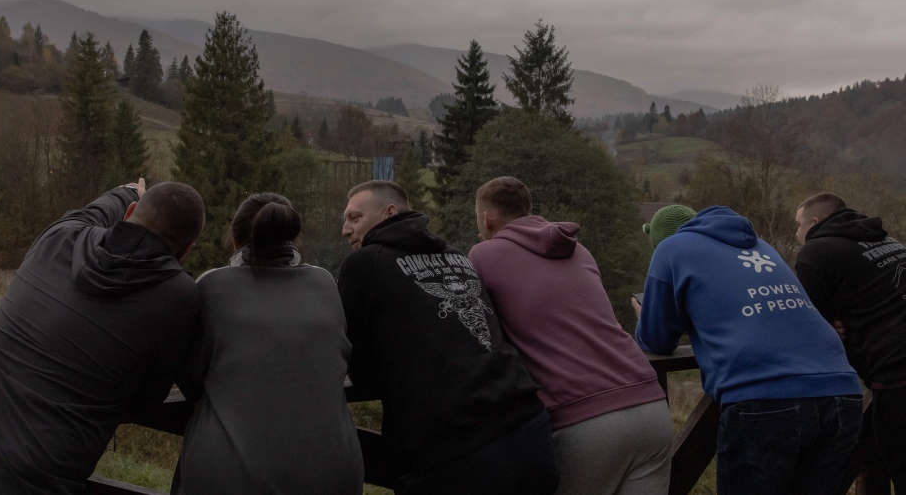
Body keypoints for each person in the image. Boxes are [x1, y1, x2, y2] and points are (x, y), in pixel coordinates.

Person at [0, 179, 205, 495]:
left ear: (129, 211)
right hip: (26, 484)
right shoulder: (179, 299)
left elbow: (94, 212)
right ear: (186, 251)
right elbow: (146, 397)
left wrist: (128, 191)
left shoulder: (60, 237)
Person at [339, 180, 558, 495]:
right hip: (529, 427)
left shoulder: (364, 263)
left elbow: (357, 364)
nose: (346, 230)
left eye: (354, 218)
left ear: (389, 212)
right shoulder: (457, 256)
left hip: (454, 450)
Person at [634, 205, 863, 495]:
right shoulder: (761, 245)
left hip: (765, 398)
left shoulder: (670, 249)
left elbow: (655, 340)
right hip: (841, 391)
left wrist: (646, 316)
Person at [468, 177, 672, 495]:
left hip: (582, 417)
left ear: (486, 218)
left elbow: (478, 335)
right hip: (651, 406)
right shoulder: (578, 250)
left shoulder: (483, 256)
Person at [173, 192, 363, 495]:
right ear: (293, 240)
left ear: (234, 241)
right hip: (333, 474)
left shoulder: (213, 286)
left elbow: (191, 378)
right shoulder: (324, 283)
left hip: (229, 475)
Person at [794, 192, 906, 489]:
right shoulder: (888, 241)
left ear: (814, 222)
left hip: (896, 379)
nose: (796, 234)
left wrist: (833, 328)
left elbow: (809, 323)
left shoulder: (816, 252)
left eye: (798, 225)